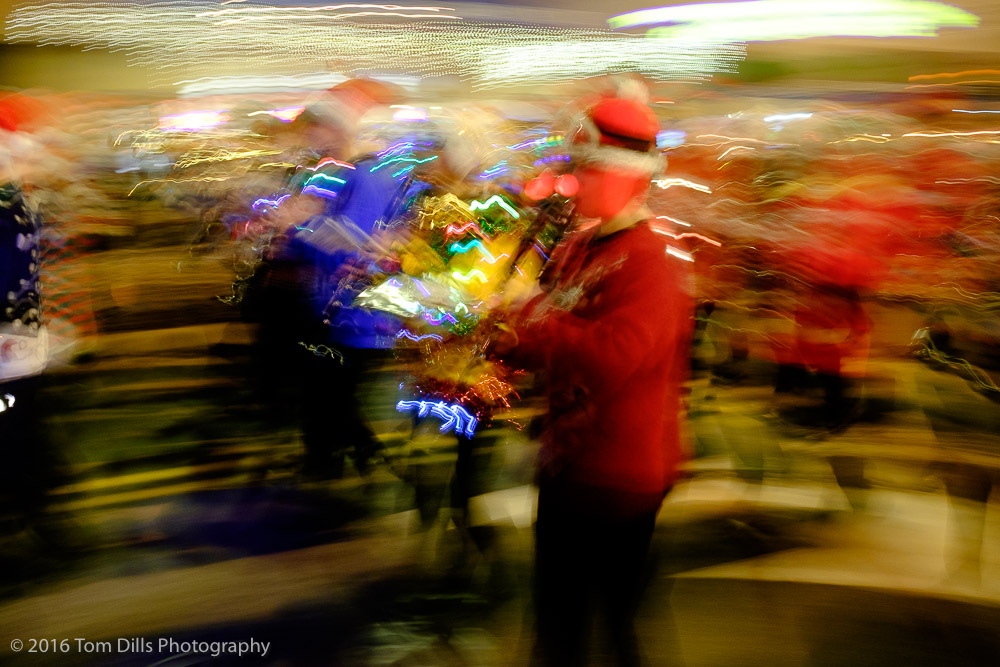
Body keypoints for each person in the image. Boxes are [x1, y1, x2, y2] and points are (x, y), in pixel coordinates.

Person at [493, 83, 693, 666]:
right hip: (568, 462)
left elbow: (614, 356)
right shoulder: (579, 246)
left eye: (587, 168)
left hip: (619, 478)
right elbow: (544, 330)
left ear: (626, 174)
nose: (573, 182)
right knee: (559, 623)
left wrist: (528, 315)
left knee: (601, 626)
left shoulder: (654, 260)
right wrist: (500, 340)